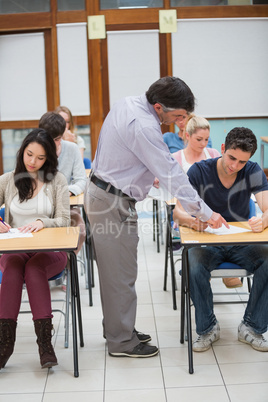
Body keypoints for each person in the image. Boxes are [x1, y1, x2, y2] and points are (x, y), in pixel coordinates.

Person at [84, 76, 228, 359]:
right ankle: (121, 342)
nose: (181, 123)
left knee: (117, 273)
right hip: (111, 202)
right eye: (178, 116)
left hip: (105, 193)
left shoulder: (130, 103)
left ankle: (117, 329)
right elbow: (172, 174)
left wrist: (149, 176)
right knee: (120, 275)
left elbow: (128, 155)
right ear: (159, 106)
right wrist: (206, 213)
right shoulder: (146, 126)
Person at [173, 127, 268, 352]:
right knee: (193, 265)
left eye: (242, 162)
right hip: (207, 241)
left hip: (241, 242)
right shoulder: (199, 171)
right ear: (222, 149)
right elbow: (177, 213)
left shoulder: (253, 171)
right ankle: (207, 329)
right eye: (232, 158)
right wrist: (196, 221)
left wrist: (263, 220)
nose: (235, 166)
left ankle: (251, 327)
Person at [0, 128, 70, 369]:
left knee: (34, 268)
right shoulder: (8, 180)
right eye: (29, 155)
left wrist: (43, 222)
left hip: (51, 251)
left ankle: (45, 344)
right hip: (15, 249)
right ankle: (4, 343)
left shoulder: (57, 180)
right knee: (14, 267)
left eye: (40, 158)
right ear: (22, 152)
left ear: (48, 158)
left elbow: (64, 219)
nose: (33, 162)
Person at [172, 116, 242, 288]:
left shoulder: (214, 154)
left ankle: (217, 269)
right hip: (188, 211)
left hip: (214, 208)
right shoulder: (176, 158)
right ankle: (203, 270)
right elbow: (176, 197)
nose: (204, 143)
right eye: (199, 139)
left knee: (225, 224)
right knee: (202, 230)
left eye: (206, 139)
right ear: (187, 136)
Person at [39, 112, 87, 254]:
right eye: (49, 139)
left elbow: (81, 180)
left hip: (67, 206)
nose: (53, 144)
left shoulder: (72, 149)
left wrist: (68, 191)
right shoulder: (35, 150)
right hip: (40, 209)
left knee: (80, 230)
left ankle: (65, 264)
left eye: (57, 139)